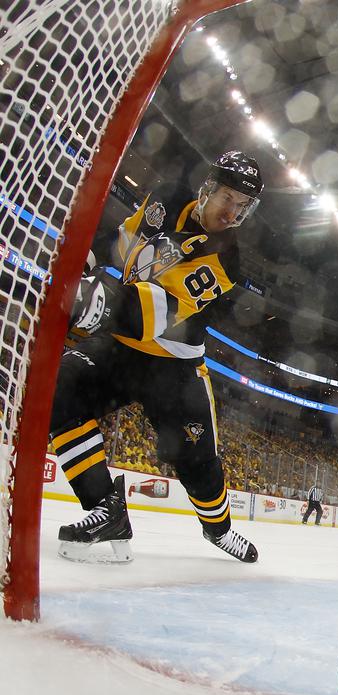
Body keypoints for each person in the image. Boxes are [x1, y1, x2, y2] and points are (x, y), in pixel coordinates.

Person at [51, 150, 263, 564]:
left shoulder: (224, 257)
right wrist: (85, 264)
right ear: (206, 189)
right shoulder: (165, 197)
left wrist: (98, 303)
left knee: (196, 462)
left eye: (242, 206)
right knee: (59, 391)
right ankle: (106, 509)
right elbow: (120, 241)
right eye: (227, 198)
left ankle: (219, 530)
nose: (231, 212)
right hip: (119, 348)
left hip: (173, 368)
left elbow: (154, 315)